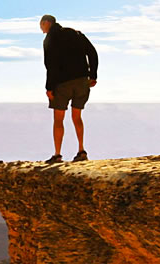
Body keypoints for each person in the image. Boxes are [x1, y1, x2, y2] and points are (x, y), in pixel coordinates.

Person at [40, 14, 98, 163]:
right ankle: (81, 150)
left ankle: (57, 155)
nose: (40, 27)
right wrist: (92, 75)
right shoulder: (76, 34)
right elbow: (92, 53)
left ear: (47, 23)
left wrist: (49, 88)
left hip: (62, 84)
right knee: (77, 117)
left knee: (58, 119)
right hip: (81, 81)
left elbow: (50, 65)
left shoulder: (49, 40)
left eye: (41, 24)